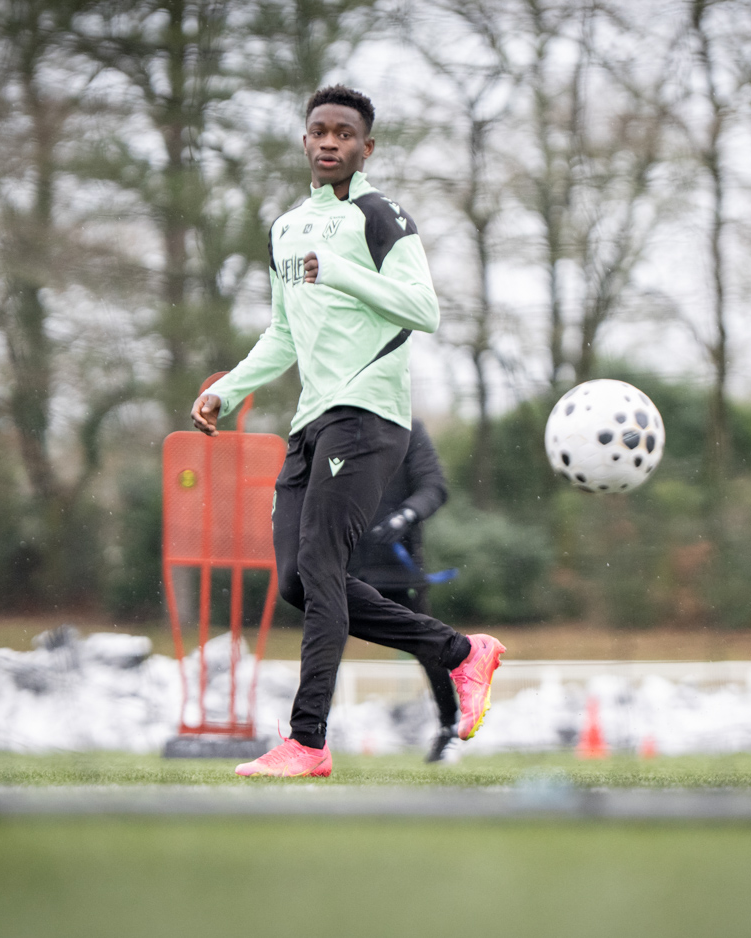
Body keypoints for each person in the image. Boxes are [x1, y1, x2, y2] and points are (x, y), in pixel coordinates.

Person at [190, 85, 504, 778]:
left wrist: (342, 272)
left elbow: (423, 308)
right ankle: (460, 652)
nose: (330, 142)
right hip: (311, 421)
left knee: (323, 569)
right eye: (319, 130)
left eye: (344, 133)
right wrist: (226, 389)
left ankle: (308, 739)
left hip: (367, 415)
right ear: (304, 140)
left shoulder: (379, 215)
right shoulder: (284, 229)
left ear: (366, 147)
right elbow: (282, 333)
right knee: (298, 583)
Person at [347, 418, 460, 762]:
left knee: (430, 650)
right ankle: (308, 737)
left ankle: (450, 729)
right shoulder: (338, 422)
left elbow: (434, 487)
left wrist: (406, 515)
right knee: (323, 645)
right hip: (344, 567)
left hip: (399, 573)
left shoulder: (408, 429)